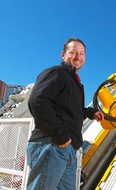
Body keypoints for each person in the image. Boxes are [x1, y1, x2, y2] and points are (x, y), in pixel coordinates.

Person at [26, 38, 105, 190]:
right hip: (51, 144)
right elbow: (37, 101)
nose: (78, 57)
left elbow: (70, 111)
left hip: (68, 149)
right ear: (63, 55)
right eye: (73, 52)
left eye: (81, 53)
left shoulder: (75, 83)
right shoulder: (56, 73)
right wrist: (61, 135)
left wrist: (91, 112)